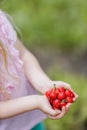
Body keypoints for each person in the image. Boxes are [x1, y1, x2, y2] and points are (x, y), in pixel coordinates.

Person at [0, 10, 78, 130]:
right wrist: (35, 102)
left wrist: (45, 85)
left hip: (31, 120)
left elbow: (22, 56)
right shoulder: (35, 103)